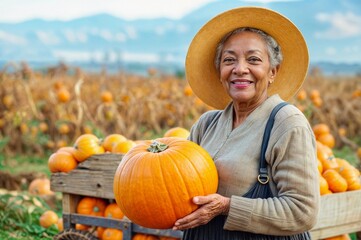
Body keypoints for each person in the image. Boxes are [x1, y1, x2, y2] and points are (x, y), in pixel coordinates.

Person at [172, 6, 320, 240]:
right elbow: (175, 183)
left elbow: (302, 212)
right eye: (229, 60)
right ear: (220, 70)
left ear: (273, 71)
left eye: (253, 59)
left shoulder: (286, 123)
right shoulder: (206, 124)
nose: (240, 69)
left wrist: (226, 206)